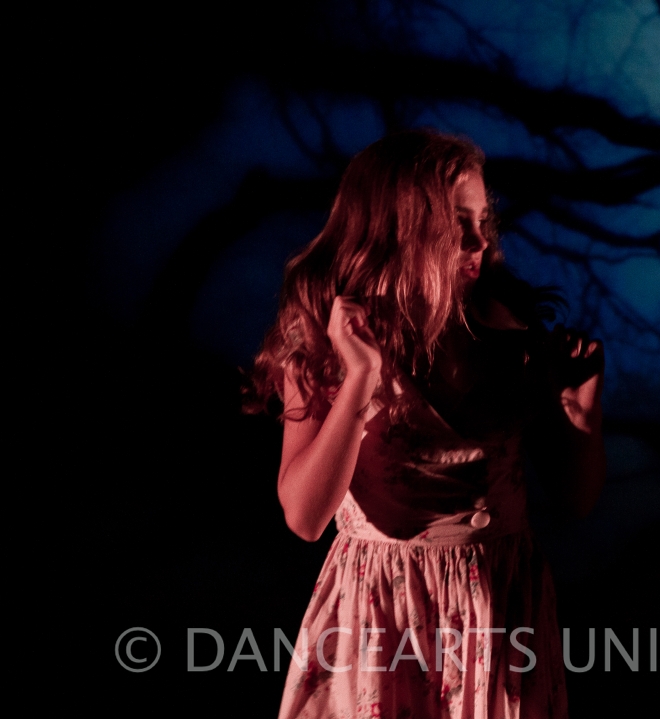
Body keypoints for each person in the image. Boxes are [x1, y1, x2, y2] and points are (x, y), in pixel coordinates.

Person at [247, 130, 605, 719]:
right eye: (455, 223)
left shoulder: (508, 336)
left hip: (499, 614)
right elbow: (305, 518)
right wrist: (361, 377)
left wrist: (580, 406)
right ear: (396, 229)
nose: (478, 241)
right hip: (382, 618)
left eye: (483, 220)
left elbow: (577, 497)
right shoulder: (323, 342)